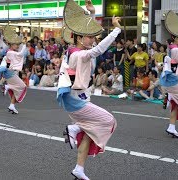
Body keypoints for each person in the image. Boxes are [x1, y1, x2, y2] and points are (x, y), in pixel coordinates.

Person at [57, 1, 120, 179]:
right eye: (89, 37)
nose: (93, 40)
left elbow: (91, 41)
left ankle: (79, 168)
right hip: (75, 100)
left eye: (92, 37)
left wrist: (92, 14)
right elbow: (98, 49)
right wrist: (116, 30)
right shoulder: (77, 54)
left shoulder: (77, 49)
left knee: (90, 131)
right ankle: (74, 128)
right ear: (78, 38)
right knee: (109, 120)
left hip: (79, 97)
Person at [0, 26, 27, 114]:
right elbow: (21, 54)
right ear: (11, 45)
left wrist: (22, 36)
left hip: (10, 73)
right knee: (22, 86)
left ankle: (12, 105)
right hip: (11, 73)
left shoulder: (10, 52)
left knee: (17, 89)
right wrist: (25, 43)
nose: (17, 46)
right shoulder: (10, 52)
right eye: (16, 44)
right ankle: (8, 87)